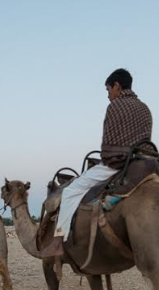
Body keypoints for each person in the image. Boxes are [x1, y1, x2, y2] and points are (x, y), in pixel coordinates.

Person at [54, 68, 153, 244]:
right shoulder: (145, 108)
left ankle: (58, 242)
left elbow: (109, 145)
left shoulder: (115, 106)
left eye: (108, 90)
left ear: (116, 85)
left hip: (120, 164)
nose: (108, 95)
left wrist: (106, 158)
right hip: (145, 164)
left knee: (70, 191)